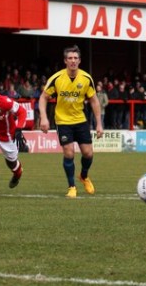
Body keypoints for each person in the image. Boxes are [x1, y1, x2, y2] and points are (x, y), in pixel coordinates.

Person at [38, 45, 103, 198]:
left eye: (75, 58)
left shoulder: (86, 78)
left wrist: (99, 123)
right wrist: (44, 117)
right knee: (69, 153)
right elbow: (43, 97)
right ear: (65, 61)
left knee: (88, 153)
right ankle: (71, 186)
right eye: (70, 58)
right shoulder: (56, 78)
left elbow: (94, 101)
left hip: (80, 120)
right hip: (63, 121)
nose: (73, 61)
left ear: (79, 61)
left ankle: (84, 176)